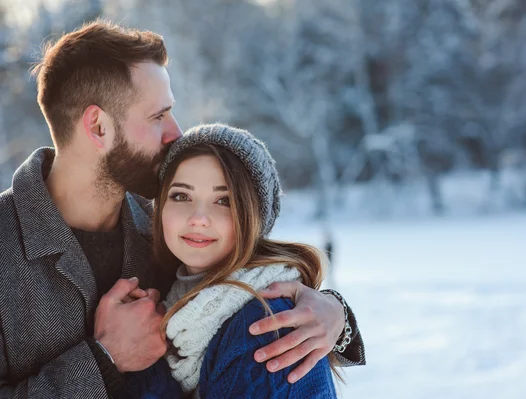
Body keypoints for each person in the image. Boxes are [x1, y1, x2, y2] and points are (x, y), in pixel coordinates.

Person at [0, 20, 365, 398]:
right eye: (158, 116)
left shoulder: (172, 225)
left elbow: (250, 280)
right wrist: (103, 359)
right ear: (98, 126)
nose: (176, 132)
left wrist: (331, 312)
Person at [121, 123, 342, 398]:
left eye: (224, 201)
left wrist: (142, 367)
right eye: (181, 196)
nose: (198, 218)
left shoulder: (267, 324)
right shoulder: (173, 302)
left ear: (254, 216)